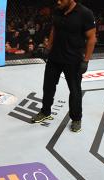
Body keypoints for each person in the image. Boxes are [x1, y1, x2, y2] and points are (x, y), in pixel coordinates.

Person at [31, 0, 97, 132]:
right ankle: (45, 112)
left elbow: (91, 38)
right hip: (55, 57)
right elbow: (54, 30)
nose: (58, 1)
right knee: (48, 86)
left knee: (75, 90)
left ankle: (76, 119)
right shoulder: (58, 10)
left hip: (73, 60)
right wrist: (48, 48)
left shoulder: (85, 13)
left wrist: (86, 60)